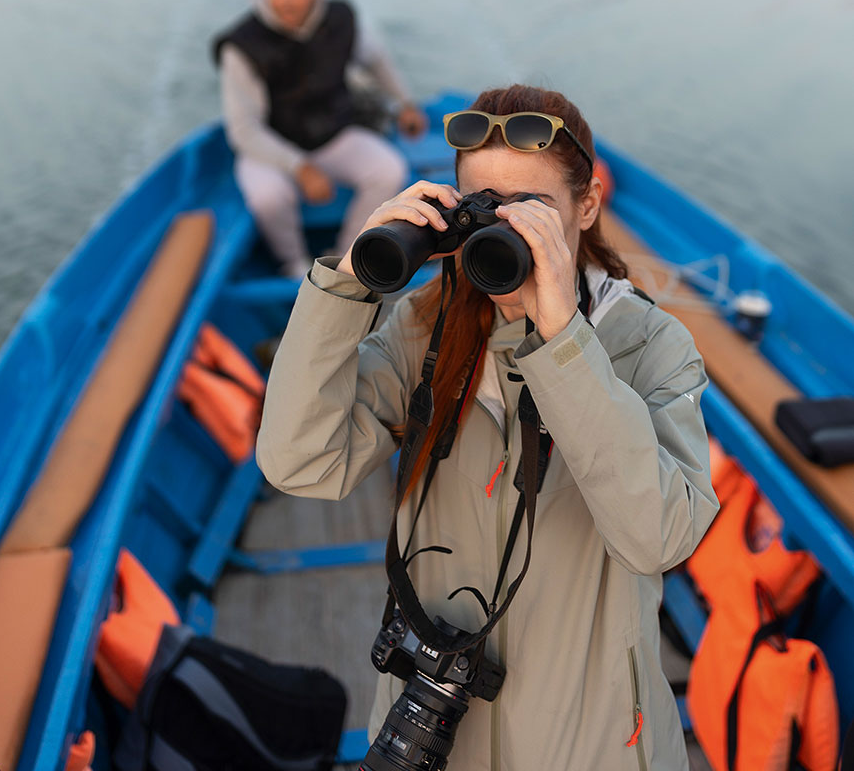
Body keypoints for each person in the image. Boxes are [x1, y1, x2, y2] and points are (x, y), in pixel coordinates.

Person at [257, 83, 718, 771]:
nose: (504, 233)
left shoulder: (649, 347)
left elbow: (661, 538)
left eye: (530, 211)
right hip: (434, 730)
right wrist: (348, 283)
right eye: (485, 209)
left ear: (587, 206)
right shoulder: (422, 328)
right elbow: (299, 462)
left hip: (589, 742)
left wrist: (564, 339)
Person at [212, 0, 427, 279]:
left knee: (389, 170)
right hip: (269, 147)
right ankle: (294, 264)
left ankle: (345, 258)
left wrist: (405, 103)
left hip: (330, 134)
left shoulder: (340, 19)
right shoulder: (241, 46)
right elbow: (243, 130)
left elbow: (376, 58)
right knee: (268, 197)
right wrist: (300, 168)